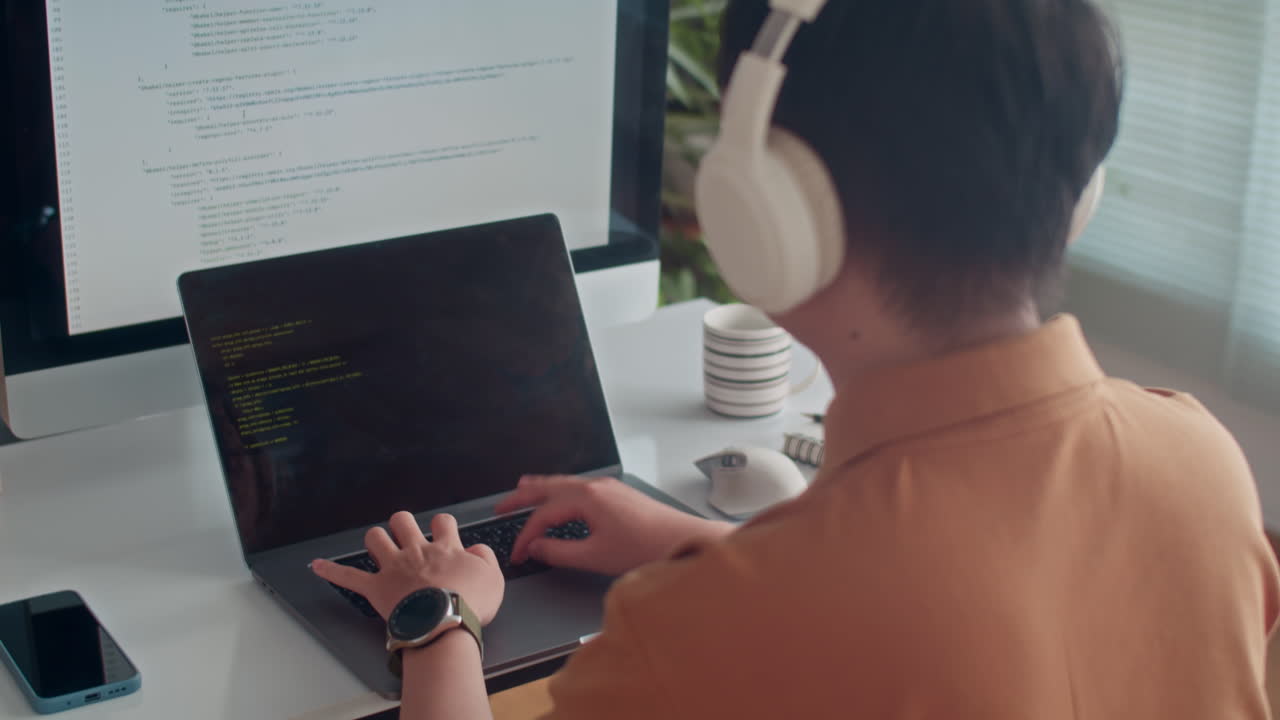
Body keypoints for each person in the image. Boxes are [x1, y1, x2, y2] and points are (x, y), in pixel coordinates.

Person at [311, 1, 1280, 717]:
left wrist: (434, 619)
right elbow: (963, 620)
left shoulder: (711, 633)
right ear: (1076, 190)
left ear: (771, 212)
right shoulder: (1199, 463)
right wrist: (695, 542)